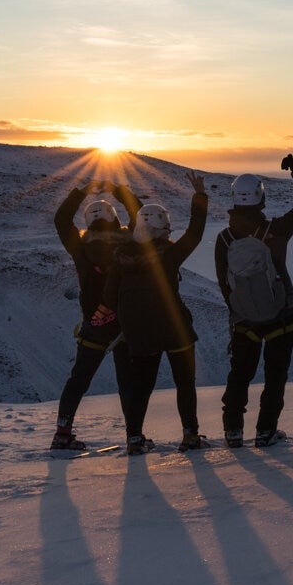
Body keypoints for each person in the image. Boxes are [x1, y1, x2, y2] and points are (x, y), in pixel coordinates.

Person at [104, 171, 210, 454]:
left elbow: (109, 296)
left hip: (140, 332)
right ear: (164, 229)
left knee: (141, 386)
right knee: (184, 383)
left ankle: (135, 438)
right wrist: (199, 196)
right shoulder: (169, 254)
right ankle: (190, 435)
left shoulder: (121, 258)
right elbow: (195, 233)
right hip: (175, 328)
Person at [214, 157, 293, 448]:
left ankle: (233, 430)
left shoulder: (224, 238)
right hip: (280, 314)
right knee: (275, 376)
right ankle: (266, 430)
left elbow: (224, 282)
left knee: (240, 374)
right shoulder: (276, 230)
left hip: (244, 320)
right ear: (261, 197)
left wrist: (239, 310)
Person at [49, 180, 141, 449]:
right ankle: (134, 436)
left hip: (95, 324)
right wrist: (121, 191)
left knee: (79, 379)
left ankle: (62, 433)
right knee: (128, 382)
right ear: (114, 220)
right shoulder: (130, 243)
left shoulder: (80, 249)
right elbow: (141, 215)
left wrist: (81, 191)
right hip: (124, 325)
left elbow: (61, 220)